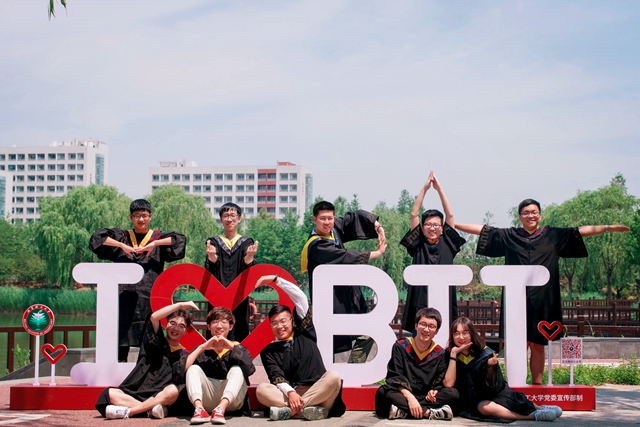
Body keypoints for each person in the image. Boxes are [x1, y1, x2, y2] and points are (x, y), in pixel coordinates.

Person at [455, 199, 630, 385]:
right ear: (520, 216)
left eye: (534, 212)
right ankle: (515, 385)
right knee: (518, 346)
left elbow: (580, 231)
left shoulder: (553, 235)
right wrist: (453, 224)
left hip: (545, 300)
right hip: (516, 300)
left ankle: (537, 386)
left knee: (539, 345)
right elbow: (482, 230)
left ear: (540, 215)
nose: (530, 215)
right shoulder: (510, 236)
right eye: (526, 212)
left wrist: (608, 228)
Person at [90, 198, 187, 362]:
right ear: (131, 217)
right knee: (121, 338)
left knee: (150, 340)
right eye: (137, 215)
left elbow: (179, 240)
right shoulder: (122, 237)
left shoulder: (157, 237)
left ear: (150, 216)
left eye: (144, 215)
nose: (141, 219)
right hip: (124, 298)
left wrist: (155, 244)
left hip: (149, 298)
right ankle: (119, 369)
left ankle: (147, 371)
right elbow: (97, 238)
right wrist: (122, 246)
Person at [300, 200, 387, 363]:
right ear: (314, 219)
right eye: (322, 219)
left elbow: (354, 216)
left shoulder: (334, 230)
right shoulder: (317, 245)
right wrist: (377, 253)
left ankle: (354, 367)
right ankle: (325, 375)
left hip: (349, 293)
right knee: (327, 342)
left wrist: (378, 226)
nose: (327, 222)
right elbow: (345, 256)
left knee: (368, 332)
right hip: (331, 300)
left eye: (330, 218)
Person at [256, 274, 346, 421]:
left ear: (291, 320)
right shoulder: (268, 351)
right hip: (292, 394)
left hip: (319, 393)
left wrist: (276, 280)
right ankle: (308, 411)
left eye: (283, 321)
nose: (280, 326)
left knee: (333, 376)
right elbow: (276, 377)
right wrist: (291, 393)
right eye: (274, 323)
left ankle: (291, 412)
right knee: (261, 390)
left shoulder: (304, 333)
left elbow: (301, 298)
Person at [444, 317, 562, 422]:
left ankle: (540, 408)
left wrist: (490, 366)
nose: (461, 337)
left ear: (472, 334)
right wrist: (454, 354)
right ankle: (534, 415)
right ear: (452, 336)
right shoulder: (449, 355)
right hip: (470, 401)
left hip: (492, 391)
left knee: (507, 396)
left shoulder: (483, 352)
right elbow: (449, 384)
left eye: (465, 333)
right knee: (484, 407)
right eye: (456, 333)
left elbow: (494, 383)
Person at [96, 301, 197, 419]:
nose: (176, 328)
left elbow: (182, 371)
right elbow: (154, 317)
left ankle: (131, 411)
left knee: (173, 391)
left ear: (186, 330)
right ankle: (150, 410)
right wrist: (180, 305)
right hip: (138, 390)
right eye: (172, 323)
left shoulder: (183, 354)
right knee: (110, 393)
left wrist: (202, 347)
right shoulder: (155, 341)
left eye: (181, 326)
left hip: (160, 395)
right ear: (166, 324)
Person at [400, 171, 466, 333]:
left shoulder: (449, 242)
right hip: (420, 298)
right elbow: (414, 214)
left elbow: (450, 214)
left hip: (445, 296)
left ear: (442, 227)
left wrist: (439, 189)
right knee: (419, 335)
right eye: (428, 224)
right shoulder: (418, 243)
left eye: (436, 224)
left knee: (445, 334)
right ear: (422, 228)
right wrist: (424, 189)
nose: (432, 228)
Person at [375, 307, 459, 420]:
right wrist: (410, 398)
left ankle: (403, 411)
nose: (426, 329)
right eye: (423, 324)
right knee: (383, 392)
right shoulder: (400, 347)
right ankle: (429, 413)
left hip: (425, 398)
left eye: (431, 326)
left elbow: (439, 382)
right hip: (404, 395)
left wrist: (434, 391)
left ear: (436, 331)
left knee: (453, 394)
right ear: (416, 326)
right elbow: (395, 376)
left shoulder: (440, 353)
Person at [184, 307, 255, 425]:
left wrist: (231, 346)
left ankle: (221, 408)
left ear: (231, 326)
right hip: (207, 400)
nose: (219, 326)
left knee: (237, 369)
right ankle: (199, 409)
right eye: (215, 322)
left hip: (232, 402)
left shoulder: (237, 348)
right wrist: (202, 347)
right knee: (193, 368)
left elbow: (250, 369)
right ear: (208, 326)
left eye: (224, 322)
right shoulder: (202, 349)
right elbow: (182, 370)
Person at [205, 202, 259, 342]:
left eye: (232, 215)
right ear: (221, 219)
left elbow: (247, 266)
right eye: (225, 215)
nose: (229, 219)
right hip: (217, 295)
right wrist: (212, 256)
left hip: (239, 296)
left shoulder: (246, 242)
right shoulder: (214, 242)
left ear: (239, 218)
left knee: (239, 331)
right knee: (216, 328)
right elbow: (212, 264)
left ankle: (238, 355)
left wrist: (249, 256)